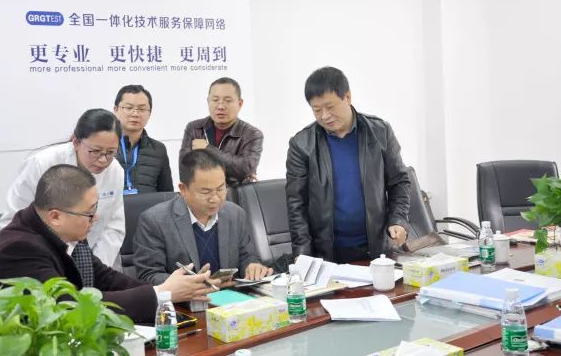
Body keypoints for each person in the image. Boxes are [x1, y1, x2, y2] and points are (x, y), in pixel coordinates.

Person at [0, 164, 215, 324]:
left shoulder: (61, 234)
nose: (96, 218)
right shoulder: (18, 249)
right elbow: (69, 306)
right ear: (55, 216)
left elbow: (106, 278)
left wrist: (174, 289)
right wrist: (161, 293)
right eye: (89, 213)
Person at [286, 67, 411, 263]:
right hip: (328, 254)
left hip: (377, 250)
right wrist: (303, 258)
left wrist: (398, 220)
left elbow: (399, 182)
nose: (324, 116)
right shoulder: (302, 144)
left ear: (347, 97)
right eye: (317, 110)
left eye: (330, 107)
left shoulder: (380, 132)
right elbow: (296, 205)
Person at [0, 109, 125, 268]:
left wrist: (96, 268)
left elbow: (113, 227)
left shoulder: (115, 171)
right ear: (76, 142)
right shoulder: (41, 164)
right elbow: (13, 222)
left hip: (93, 258)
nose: (103, 160)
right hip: (41, 258)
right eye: (95, 151)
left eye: (111, 152)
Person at [134, 149, 272, 286]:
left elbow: (246, 256)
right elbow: (149, 276)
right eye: (205, 192)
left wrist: (252, 266)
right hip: (186, 299)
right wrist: (192, 284)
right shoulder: (155, 221)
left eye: (221, 189)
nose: (215, 199)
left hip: (230, 296)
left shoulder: (235, 214)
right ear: (183, 189)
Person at [179, 77, 263, 187]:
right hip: (202, 193)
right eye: (215, 100)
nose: (220, 106)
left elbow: (245, 168)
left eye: (227, 101)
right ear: (208, 101)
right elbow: (185, 170)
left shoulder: (252, 134)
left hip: (235, 194)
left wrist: (208, 149)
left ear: (240, 103)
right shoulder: (194, 128)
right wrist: (234, 173)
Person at [113, 85, 173, 195]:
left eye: (141, 109)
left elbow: (167, 194)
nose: (135, 114)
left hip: (150, 206)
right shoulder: (103, 147)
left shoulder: (158, 149)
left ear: (149, 113)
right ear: (116, 110)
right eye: (128, 108)